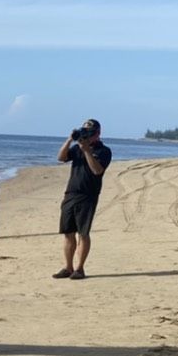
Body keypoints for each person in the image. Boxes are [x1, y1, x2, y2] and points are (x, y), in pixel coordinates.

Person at [54, 118, 112, 280]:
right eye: (85, 132)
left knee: (83, 233)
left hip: (88, 195)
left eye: (90, 133)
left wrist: (87, 150)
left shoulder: (104, 151)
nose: (87, 135)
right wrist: (70, 140)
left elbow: (97, 170)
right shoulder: (77, 147)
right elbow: (61, 158)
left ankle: (79, 268)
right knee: (68, 232)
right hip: (71, 193)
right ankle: (68, 267)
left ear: (98, 134)